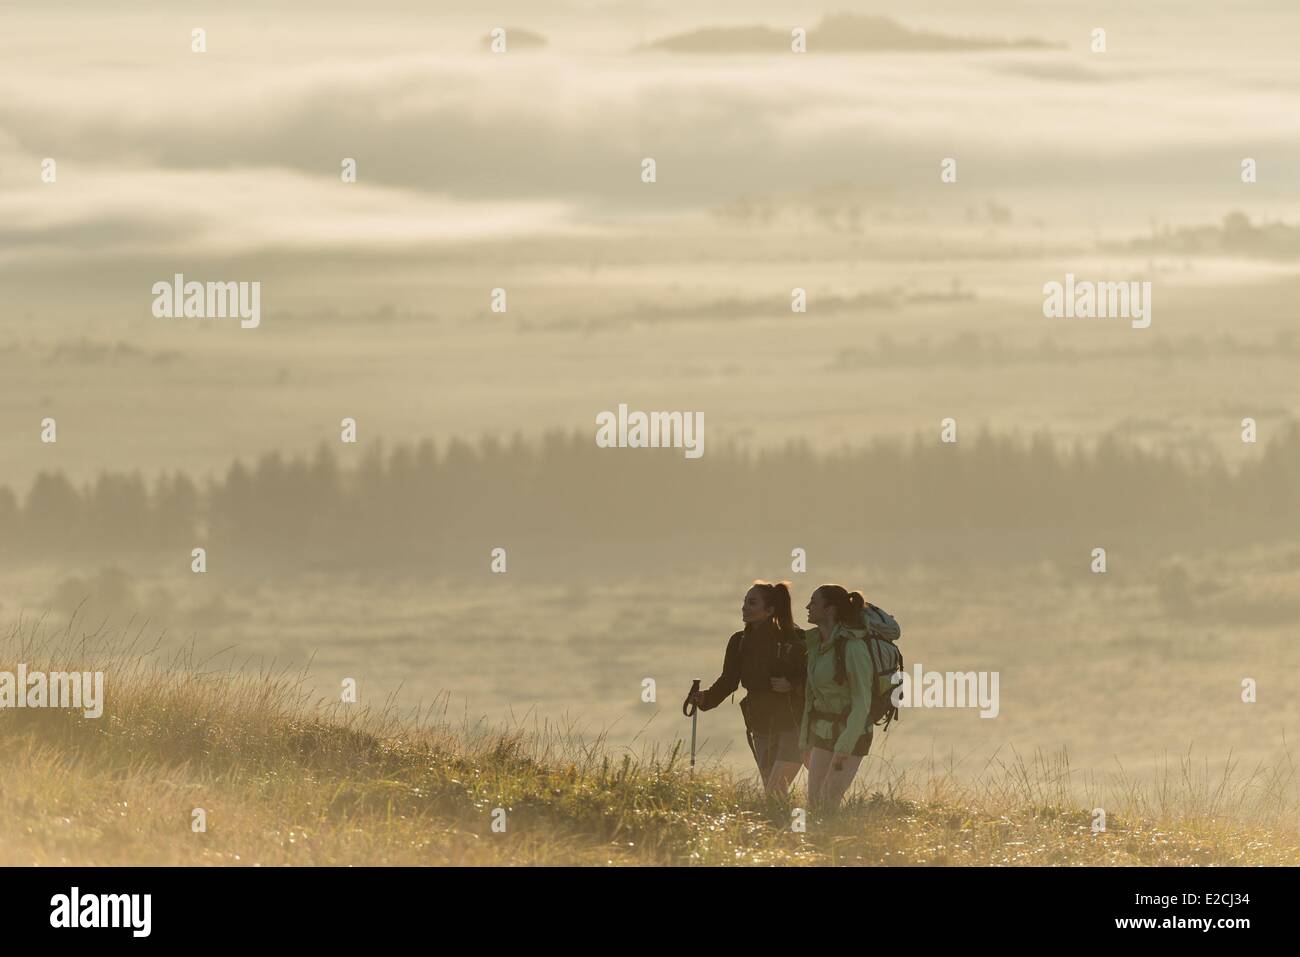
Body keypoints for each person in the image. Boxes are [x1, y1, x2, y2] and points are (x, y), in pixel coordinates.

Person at [689, 581, 806, 793]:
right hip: (760, 723)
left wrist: (792, 685)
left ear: (770, 610)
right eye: (745, 602)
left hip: (793, 723)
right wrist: (706, 699)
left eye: (752, 603)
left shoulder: (795, 639)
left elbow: (815, 678)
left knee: (775, 789)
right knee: (774, 791)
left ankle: (796, 823)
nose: (744, 607)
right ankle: (782, 824)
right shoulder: (739, 641)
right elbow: (729, 681)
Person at [800, 584, 875, 811]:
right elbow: (810, 697)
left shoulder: (853, 647)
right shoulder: (815, 645)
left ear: (829, 610)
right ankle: (814, 845)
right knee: (814, 802)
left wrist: (844, 746)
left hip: (852, 734)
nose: (807, 607)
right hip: (822, 731)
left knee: (829, 800)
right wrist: (804, 741)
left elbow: (863, 701)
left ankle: (839, 844)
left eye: (814, 602)